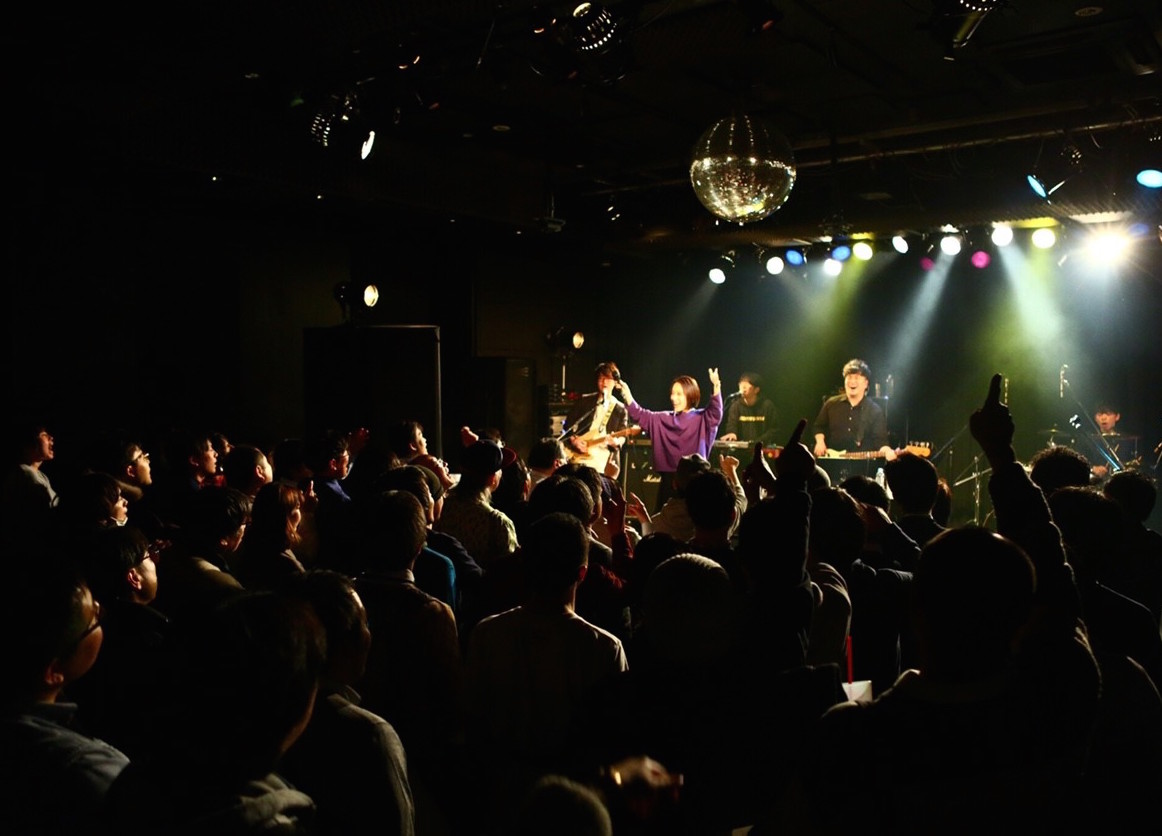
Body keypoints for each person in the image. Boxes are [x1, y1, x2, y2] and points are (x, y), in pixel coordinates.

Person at [618, 368, 724, 511]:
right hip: (670, 482)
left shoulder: (702, 418)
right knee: (665, 518)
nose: (673, 398)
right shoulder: (664, 418)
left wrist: (716, 387)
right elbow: (640, 414)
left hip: (696, 482)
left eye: (679, 394)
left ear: (690, 394)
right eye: (672, 393)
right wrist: (627, 395)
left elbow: (715, 412)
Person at [812, 359, 894, 460]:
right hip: (832, 461)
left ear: (866, 383)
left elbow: (881, 442)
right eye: (849, 377)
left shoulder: (875, 411)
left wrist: (888, 451)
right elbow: (819, 427)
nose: (852, 381)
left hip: (861, 464)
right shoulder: (831, 403)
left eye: (857, 377)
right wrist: (820, 442)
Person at [562, 362, 631, 478]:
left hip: (604, 455)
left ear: (615, 382)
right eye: (601, 378)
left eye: (608, 379)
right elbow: (568, 425)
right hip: (580, 451)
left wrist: (616, 442)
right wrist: (574, 441)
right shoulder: (584, 401)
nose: (604, 382)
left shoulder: (620, 409)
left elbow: (623, 435)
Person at [717, 372, 777, 445]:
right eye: (741, 385)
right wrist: (732, 433)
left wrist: (757, 442)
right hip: (740, 448)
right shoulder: (736, 406)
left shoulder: (767, 406)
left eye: (746, 386)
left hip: (761, 447)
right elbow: (732, 425)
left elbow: (773, 429)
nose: (743, 388)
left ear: (756, 390)